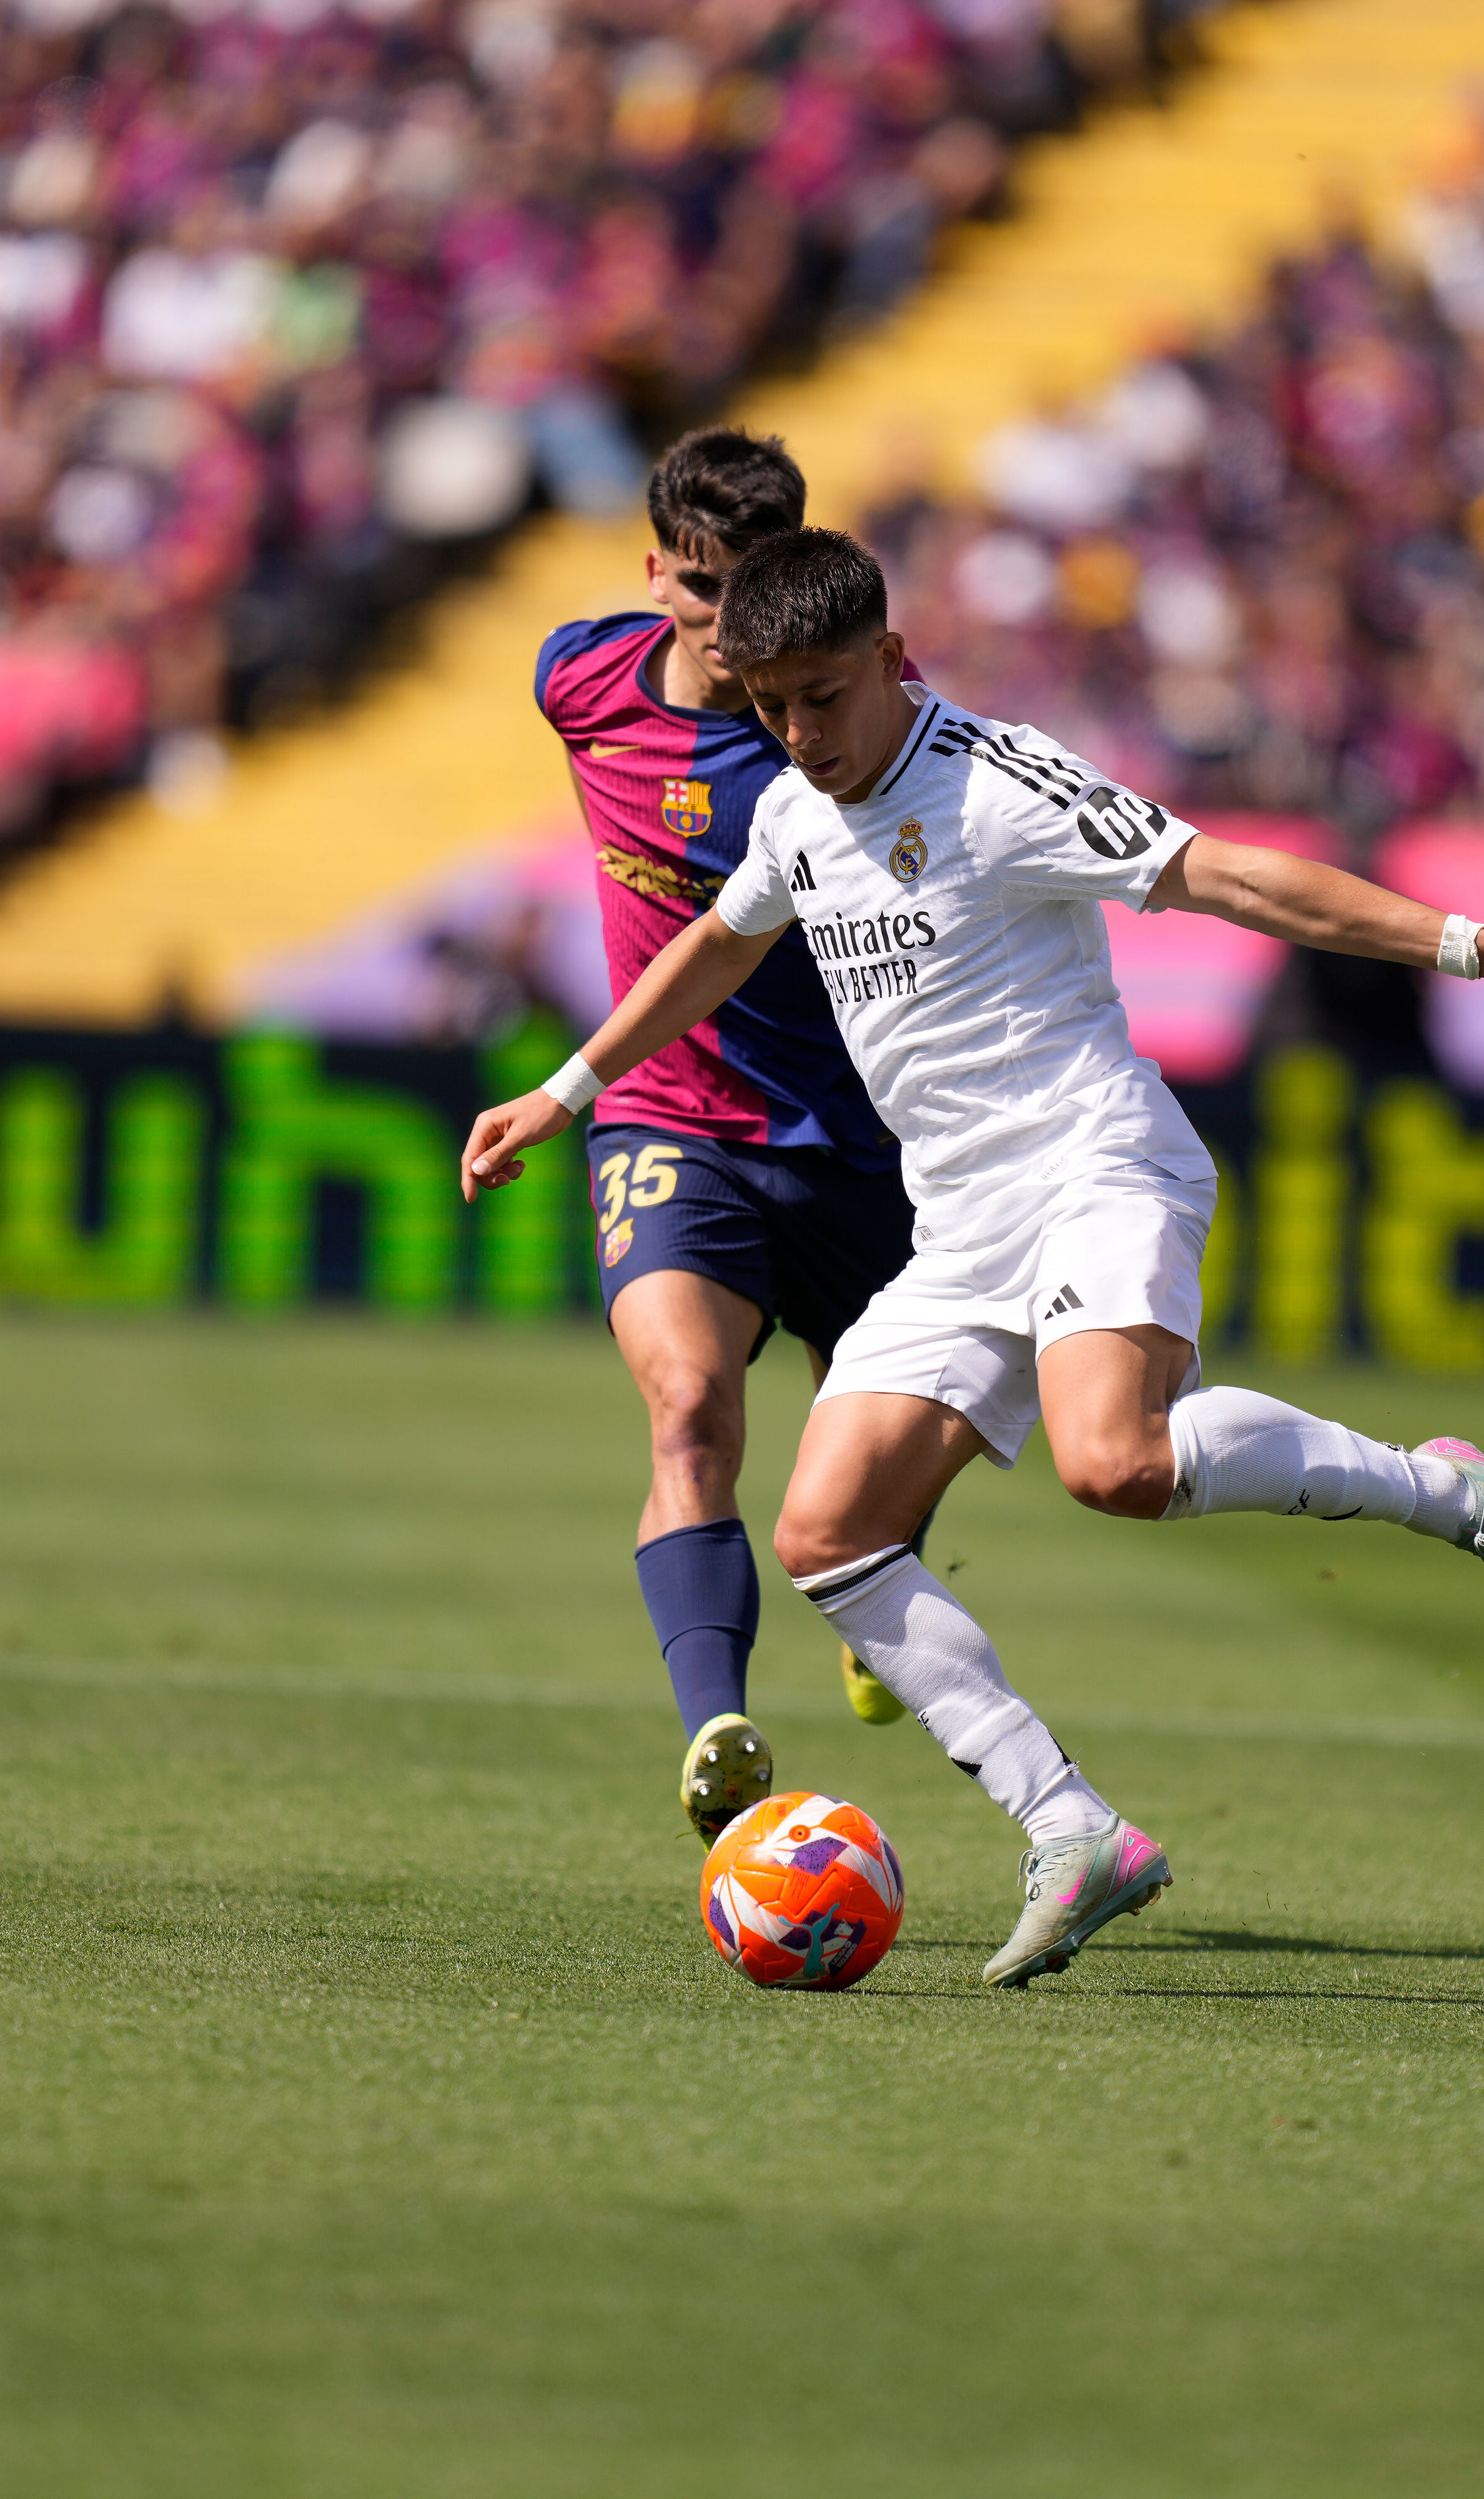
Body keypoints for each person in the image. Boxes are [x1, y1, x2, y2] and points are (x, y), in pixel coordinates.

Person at [467, 528, 1484, 1985]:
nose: (799, 734)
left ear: (892, 659)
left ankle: (1441, 1488)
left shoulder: (999, 782)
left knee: (1113, 1461)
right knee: (826, 1532)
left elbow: (1232, 877)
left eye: (823, 696)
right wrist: (568, 1088)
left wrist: (1468, 944)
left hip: (1094, 1166)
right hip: (960, 1224)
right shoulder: (796, 811)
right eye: (770, 706)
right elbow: (719, 940)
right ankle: (1071, 1825)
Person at [529, 431, 930, 1847]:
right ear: (657, 572)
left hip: (862, 1137)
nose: (723, 618)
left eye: (751, 585)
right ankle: (717, 1726)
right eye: (700, 587)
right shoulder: (579, 680)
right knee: (690, 1408)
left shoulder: (845, 725)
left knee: (866, 1463)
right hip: (670, 1115)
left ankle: (874, 1593)